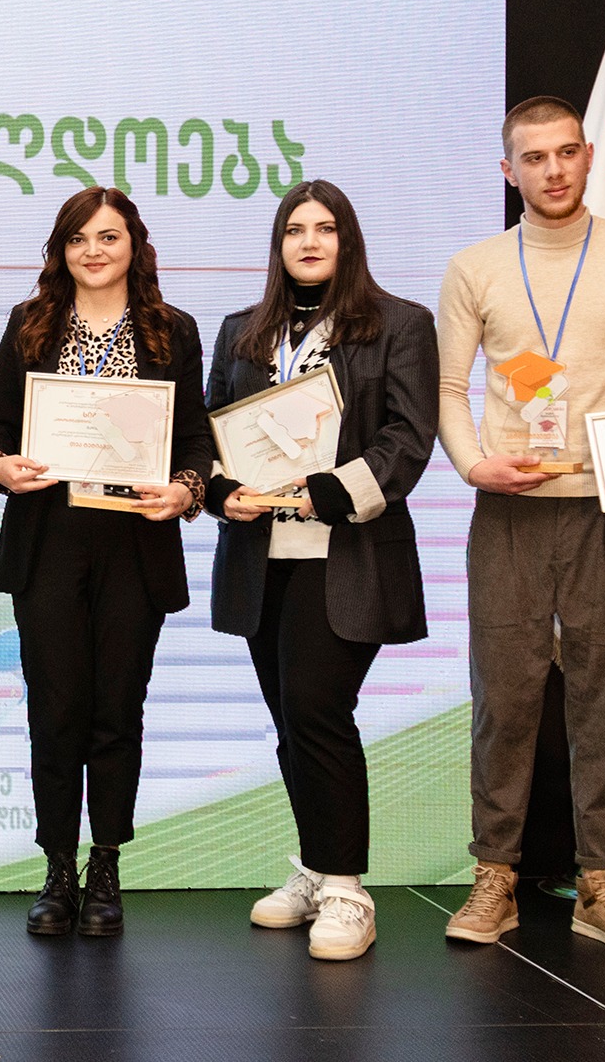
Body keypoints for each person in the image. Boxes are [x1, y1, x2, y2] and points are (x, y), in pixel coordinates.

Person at [438, 96, 605, 955]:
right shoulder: (475, 266)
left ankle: (602, 882)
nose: (553, 170)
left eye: (566, 152)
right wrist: (473, 464)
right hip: (508, 512)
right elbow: (448, 390)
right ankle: (495, 876)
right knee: (503, 702)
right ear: (507, 170)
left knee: (603, 703)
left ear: (588, 157)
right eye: (534, 157)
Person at [204, 180, 439, 961]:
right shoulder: (242, 331)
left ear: (348, 239)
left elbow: (409, 437)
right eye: (294, 229)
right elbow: (208, 433)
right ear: (278, 245)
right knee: (293, 720)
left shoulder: (400, 323)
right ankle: (313, 866)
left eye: (325, 227)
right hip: (260, 557)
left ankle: (346, 888)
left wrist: (331, 490)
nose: (309, 241)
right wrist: (219, 491)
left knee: (317, 708)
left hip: (346, 554)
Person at [0, 186, 209, 938]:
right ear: (61, 250)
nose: (94, 251)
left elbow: (195, 438)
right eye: (79, 239)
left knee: (117, 709)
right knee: (55, 710)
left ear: (134, 244)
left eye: (108, 236)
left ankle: (105, 865)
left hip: (135, 546)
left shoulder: (172, 329)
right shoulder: (30, 323)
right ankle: (56, 868)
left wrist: (186, 489)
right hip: (49, 541)